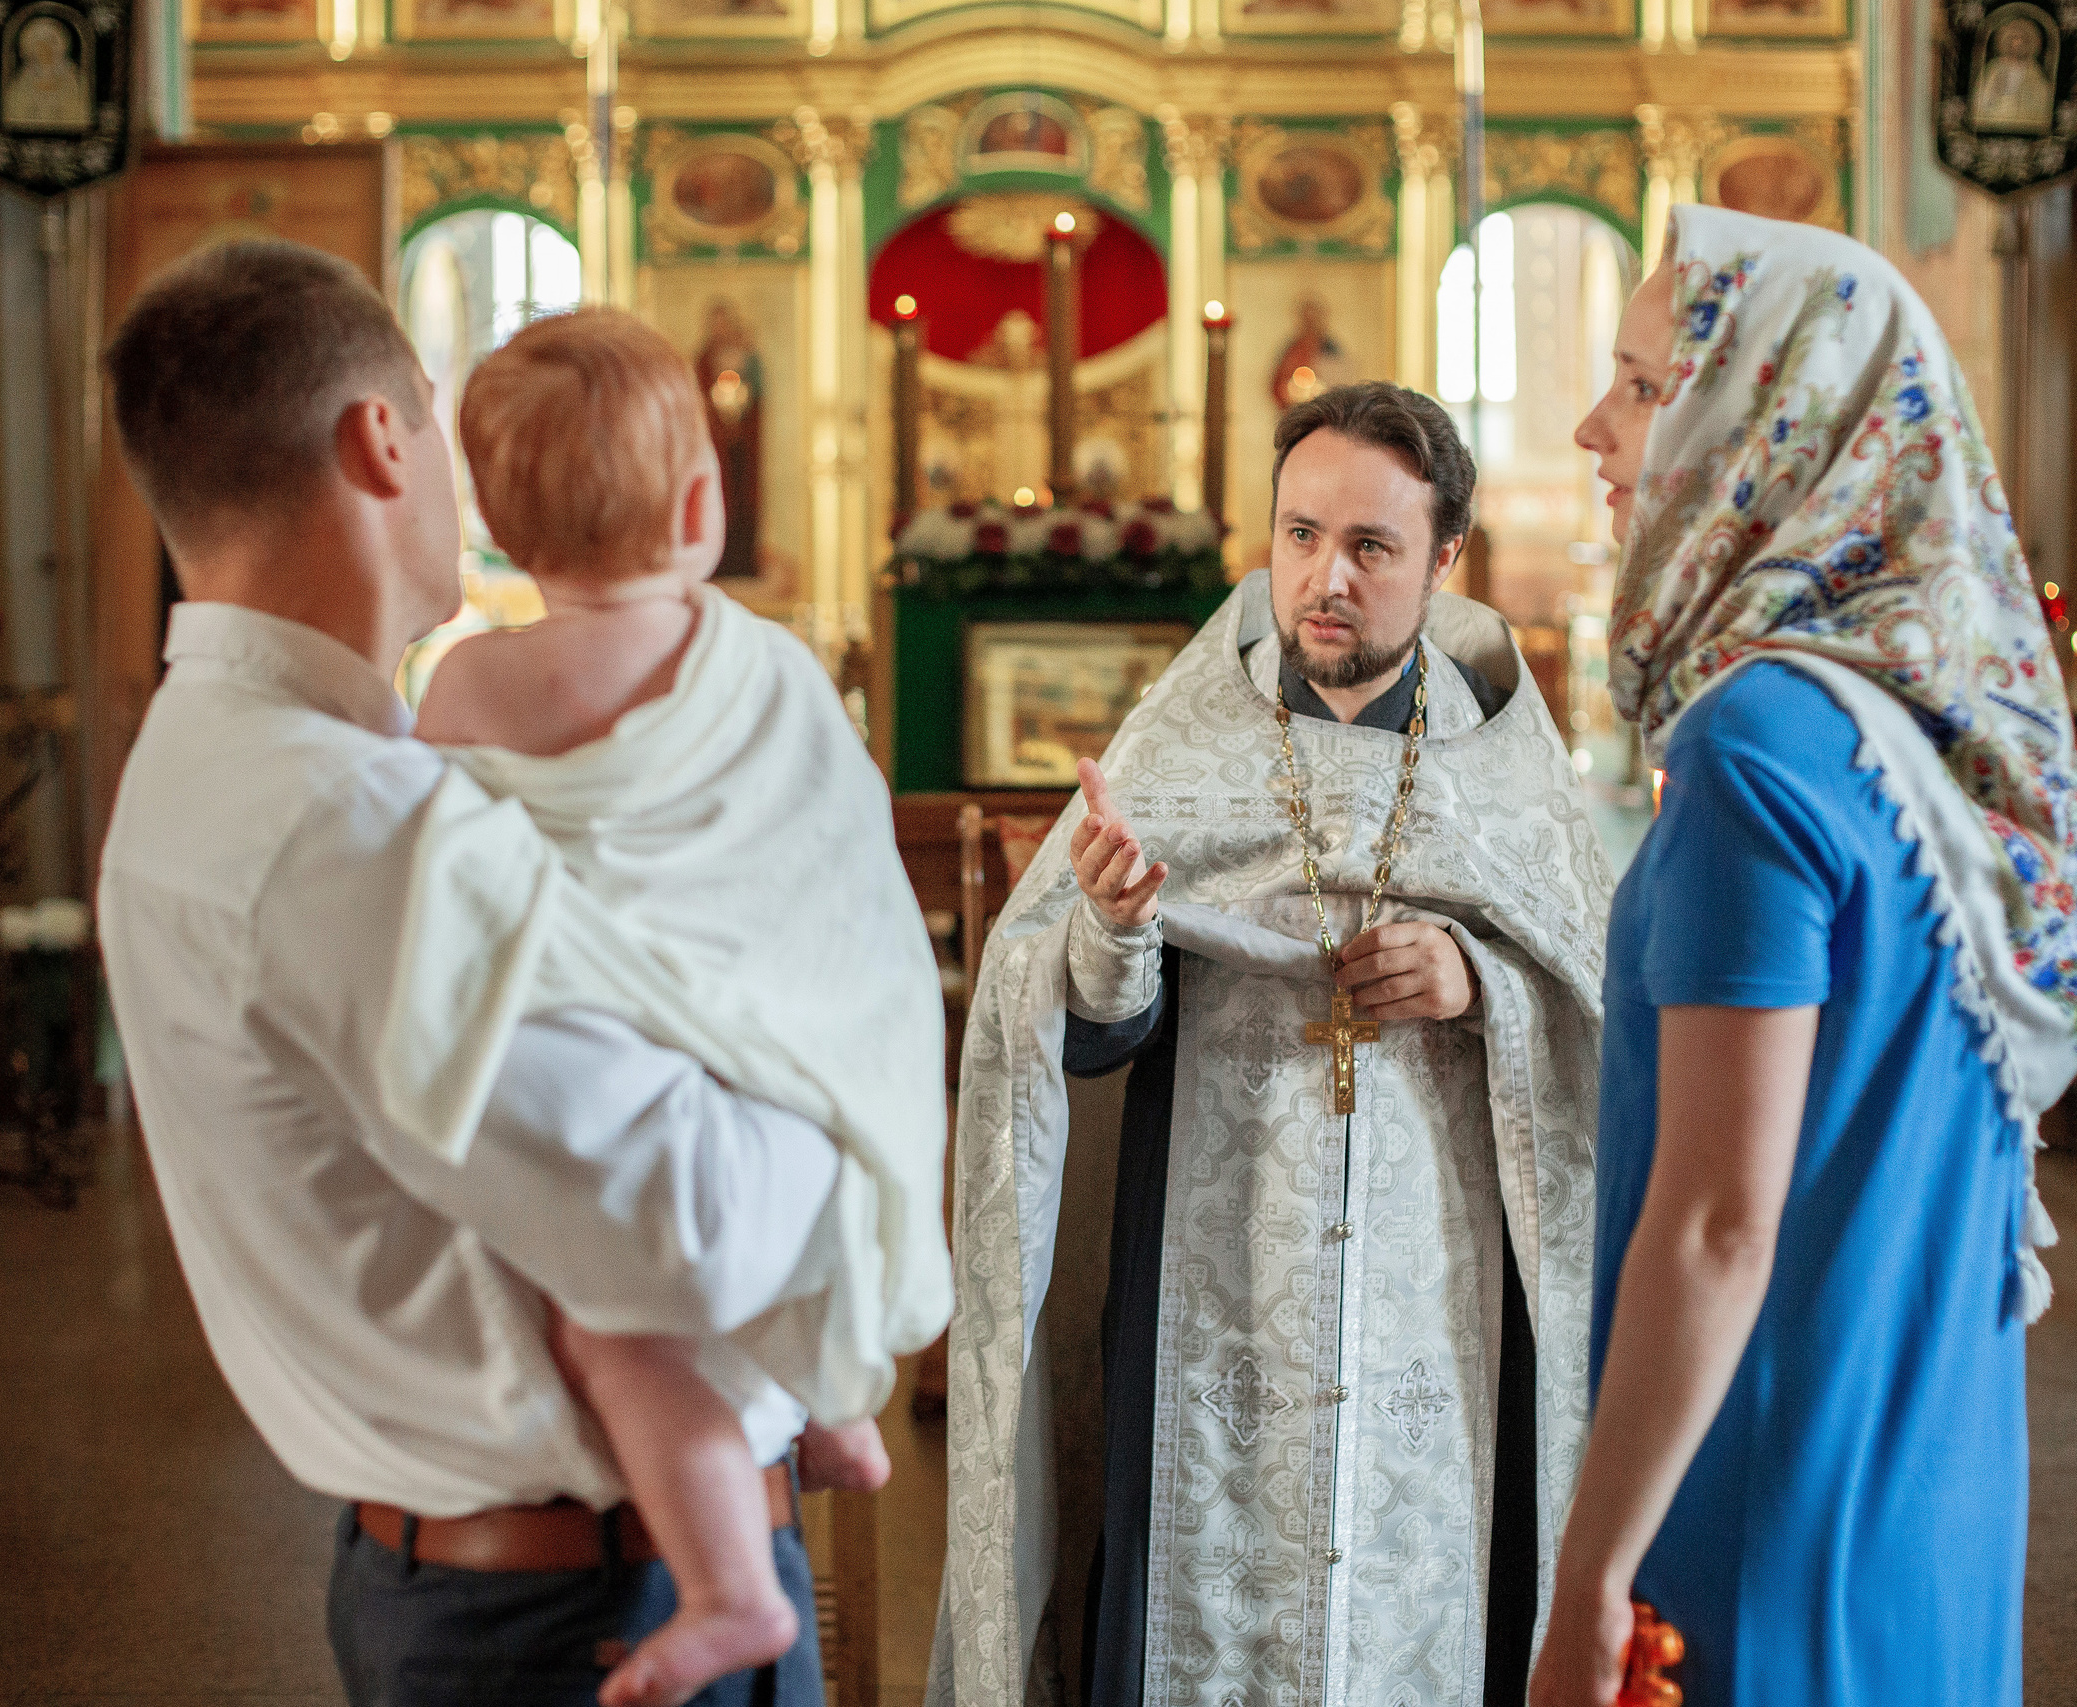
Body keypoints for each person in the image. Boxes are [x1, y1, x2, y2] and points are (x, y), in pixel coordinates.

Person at [96, 239, 849, 1707]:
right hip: (577, 1615)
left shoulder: (222, 765)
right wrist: (854, 1086)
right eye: (436, 420)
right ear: (383, 438)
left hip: (501, 1585)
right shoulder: (343, 822)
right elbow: (691, 1222)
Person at [929, 381, 1613, 1707]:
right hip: (1213, 1280)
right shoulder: (1185, 746)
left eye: (1370, 545)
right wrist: (1119, 924)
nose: (1325, 578)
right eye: (1299, 535)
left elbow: (1599, 1002)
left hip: (1441, 1303)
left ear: (1445, 559)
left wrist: (1478, 977)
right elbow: (1076, 1022)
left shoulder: (1506, 769)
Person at [1530, 207, 2077, 1707]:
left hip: (1774, 1478)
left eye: (1646, 383)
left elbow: (1723, 1219)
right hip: (1935, 1483)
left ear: (1778, 418)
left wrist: (1590, 1573)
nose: (1596, 426)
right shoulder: (1928, 755)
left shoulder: (1753, 749)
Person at [389, 306, 950, 1705]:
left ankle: (727, 1585)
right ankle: (830, 1404)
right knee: (783, 1137)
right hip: (784, 1067)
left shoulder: (468, 680)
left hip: (619, 1081)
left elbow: (428, 882)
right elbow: (844, 877)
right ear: (704, 502)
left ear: (503, 534)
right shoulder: (767, 669)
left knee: (609, 1307)